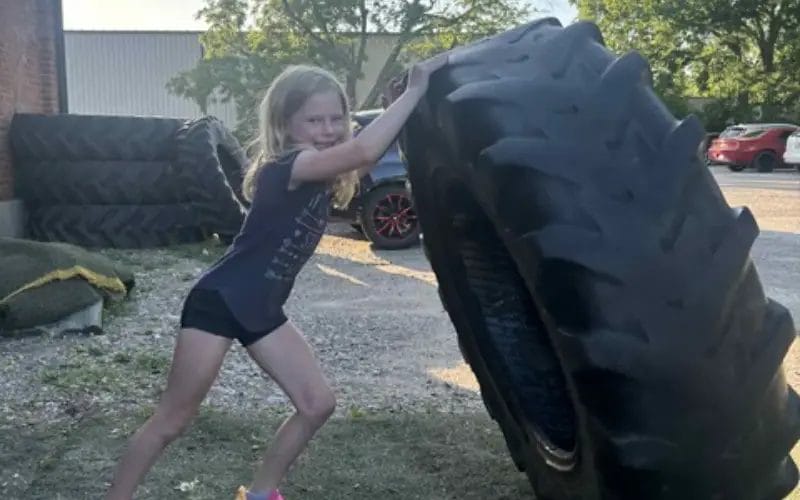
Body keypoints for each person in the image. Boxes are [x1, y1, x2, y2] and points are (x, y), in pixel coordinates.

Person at [103, 53, 448, 500]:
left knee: (317, 404)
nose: (327, 130)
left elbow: (361, 153)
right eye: (314, 121)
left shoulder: (323, 170)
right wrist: (417, 90)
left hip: (262, 309)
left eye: (335, 119)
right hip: (220, 301)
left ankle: (263, 493)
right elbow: (363, 150)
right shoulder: (291, 166)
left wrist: (393, 105)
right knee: (174, 420)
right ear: (286, 127)